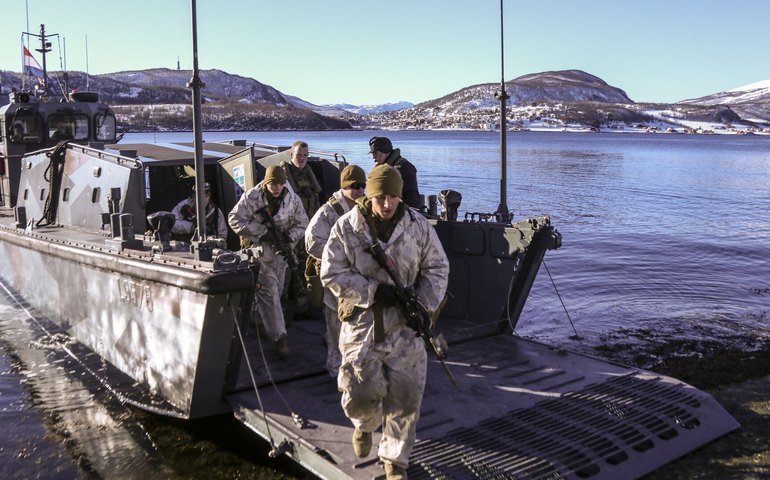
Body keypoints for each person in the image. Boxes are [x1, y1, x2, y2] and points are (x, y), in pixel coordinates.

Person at [320, 164, 449, 479]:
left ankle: (395, 460)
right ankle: (364, 425)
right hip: (363, 326)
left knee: (406, 398)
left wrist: (422, 305)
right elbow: (331, 272)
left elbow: (437, 267)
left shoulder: (418, 226)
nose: (387, 204)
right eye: (381, 197)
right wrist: (373, 291)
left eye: (393, 196)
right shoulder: (347, 227)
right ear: (370, 195)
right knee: (358, 390)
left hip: (406, 327)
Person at [228, 165, 308, 358]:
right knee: (270, 292)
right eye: (273, 184)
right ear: (266, 182)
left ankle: (257, 321)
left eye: (280, 184)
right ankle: (280, 338)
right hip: (259, 253)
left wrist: (289, 238)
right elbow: (234, 219)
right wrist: (262, 233)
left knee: (275, 293)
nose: (277, 188)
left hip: (281, 255)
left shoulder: (292, 199)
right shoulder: (252, 197)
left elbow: (303, 223)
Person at [305, 164, 367, 377]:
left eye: (363, 186)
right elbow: (312, 243)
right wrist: (339, 256)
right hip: (337, 277)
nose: (360, 191)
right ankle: (334, 367)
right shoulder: (329, 211)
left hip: (359, 278)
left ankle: (356, 365)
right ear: (345, 187)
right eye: (356, 186)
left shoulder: (363, 208)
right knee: (335, 324)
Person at [369, 136, 421, 210]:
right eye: (372, 154)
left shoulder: (404, 167)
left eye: (376, 153)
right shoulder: (385, 168)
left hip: (403, 213)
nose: (373, 157)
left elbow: (412, 198)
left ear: (385, 151)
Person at [281, 140, 322, 218]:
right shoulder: (284, 174)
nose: (302, 158)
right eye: (298, 155)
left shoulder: (309, 173)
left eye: (305, 155)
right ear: (292, 155)